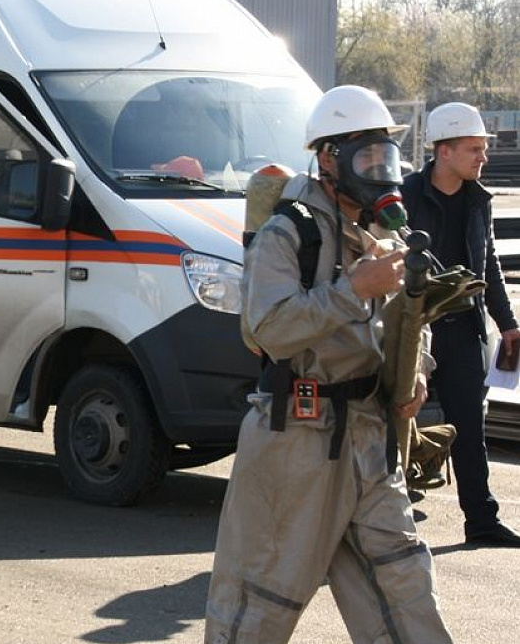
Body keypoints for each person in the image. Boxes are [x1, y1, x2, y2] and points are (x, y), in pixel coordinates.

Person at [205, 85, 453, 643]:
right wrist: (351, 290)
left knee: (404, 584)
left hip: (368, 435)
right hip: (297, 440)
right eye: (366, 158)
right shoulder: (288, 231)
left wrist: (417, 368)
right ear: (328, 159)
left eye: (386, 156)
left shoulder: (381, 232)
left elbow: (411, 314)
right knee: (261, 598)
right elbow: (270, 328)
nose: (379, 171)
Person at [401, 101, 520, 547]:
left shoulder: (478, 201)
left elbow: (487, 263)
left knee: (470, 429)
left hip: (463, 330)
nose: (483, 157)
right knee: (395, 425)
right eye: (474, 149)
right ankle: (383, 524)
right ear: (444, 151)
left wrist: (508, 324)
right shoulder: (405, 196)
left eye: (483, 148)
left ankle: (482, 521)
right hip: (412, 332)